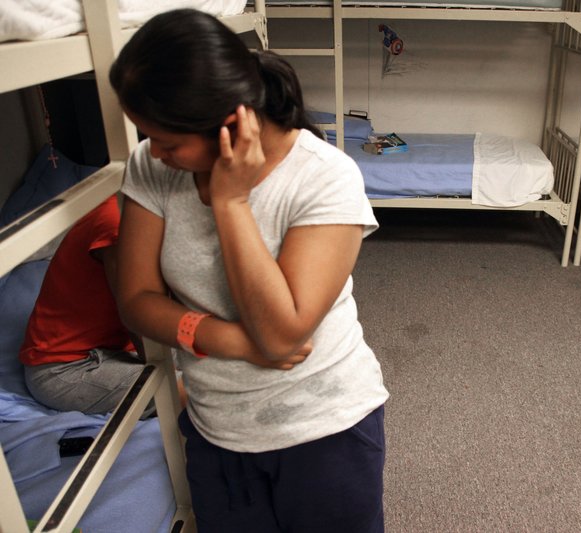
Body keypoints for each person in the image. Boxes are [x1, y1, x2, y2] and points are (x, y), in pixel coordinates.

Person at [109, 8, 389, 532]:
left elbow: (283, 334)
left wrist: (231, 203)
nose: (155, 154)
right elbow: (136, 297)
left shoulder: (324, 178)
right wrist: (228, 340)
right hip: (217, 430)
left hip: (324, 430)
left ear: (230, 122)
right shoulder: (152, 165)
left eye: (169, 143)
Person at [19, 195, 156, 415]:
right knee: (203, 390)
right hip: (65, 368)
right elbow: (138, 322)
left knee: (218, 360)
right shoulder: (118, 220)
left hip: (117, 347)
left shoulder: (155, 209)